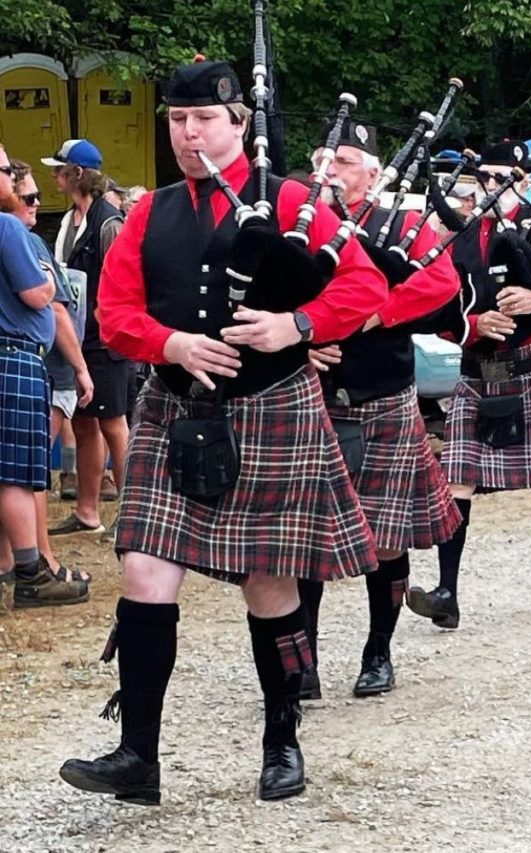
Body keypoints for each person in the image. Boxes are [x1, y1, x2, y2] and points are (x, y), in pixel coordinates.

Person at [58, 58, 385, 806]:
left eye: (203, 118)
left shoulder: (293, 200)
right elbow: (116, 314)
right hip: (178, 409)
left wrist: (294, 324)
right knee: (144, 572)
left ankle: (282, 738)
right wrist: (169, 344)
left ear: (240, 123)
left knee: (269, 584)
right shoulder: (148, 212)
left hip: (270, 405)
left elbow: (365, 284)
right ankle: (137, 753)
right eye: (176, 119)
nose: (188, 132)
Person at [405, 140, 531, 627]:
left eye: (502, 179)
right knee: (458, 480)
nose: (491, 188)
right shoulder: (464, 235)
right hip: (481, 369)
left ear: (522, 181)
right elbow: (435, 303)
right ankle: (447, 593)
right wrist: (473, 324)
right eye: (486, 179)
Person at [296, 119, 463, 699]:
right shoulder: (297, 220)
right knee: (305, 538)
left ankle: (378, 652)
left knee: (386, 536)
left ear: (372, 172)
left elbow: (442, 283)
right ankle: (303, 663)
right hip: (312, 395)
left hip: (381, 394)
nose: (332, 170)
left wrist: (377, 311)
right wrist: (304, 337)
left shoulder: (401, 226)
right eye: (325, 158)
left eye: (344, 160)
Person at [9, 160, 96, 594]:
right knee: (27, 473)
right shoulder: (15, 234)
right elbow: (52, 303)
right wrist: (81, 368)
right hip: (31, 363)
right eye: (27, 196)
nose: (36, 203)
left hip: (34, 362)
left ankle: (16, 560)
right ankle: (39, 565)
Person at [42, 138, 127, 535]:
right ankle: (88, 511)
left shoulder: (109, 221)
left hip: (105, 336)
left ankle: (132, 514)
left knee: (113, 422)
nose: (54, 175)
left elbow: (122, 278)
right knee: (85, 423)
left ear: (77, 174)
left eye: (60, 169)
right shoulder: (72, 219)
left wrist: (108, 322)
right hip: (81, 333)